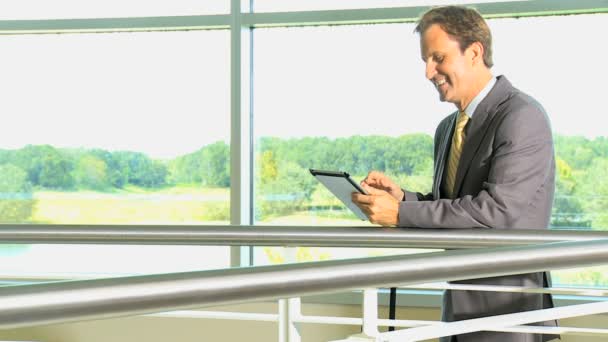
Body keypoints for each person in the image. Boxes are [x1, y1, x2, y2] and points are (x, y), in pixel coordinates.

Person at [351, 5, 559, 342]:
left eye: (438, 57)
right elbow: (456, 205)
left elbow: (496, 213)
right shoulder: (448, 128)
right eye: (425, 60)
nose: (428, 71)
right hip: (456, 313)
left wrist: (402, 213)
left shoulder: (522, 116)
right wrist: (403, 198)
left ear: (474, 52)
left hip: (509, 317)